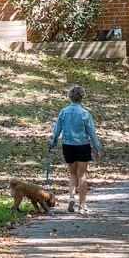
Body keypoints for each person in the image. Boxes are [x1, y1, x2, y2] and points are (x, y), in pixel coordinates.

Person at [48, 84, 101, 213]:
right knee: (82, 175)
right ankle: (82, 204)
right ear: (82, 97)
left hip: (68, 146)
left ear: (70, 96)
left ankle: (71, 197)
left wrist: (53, 142)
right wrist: (97, 147)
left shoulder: (63, 112)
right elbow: (91, 132)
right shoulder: (85, 113)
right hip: (82, 146)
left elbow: (57, 130)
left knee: (72, 174)